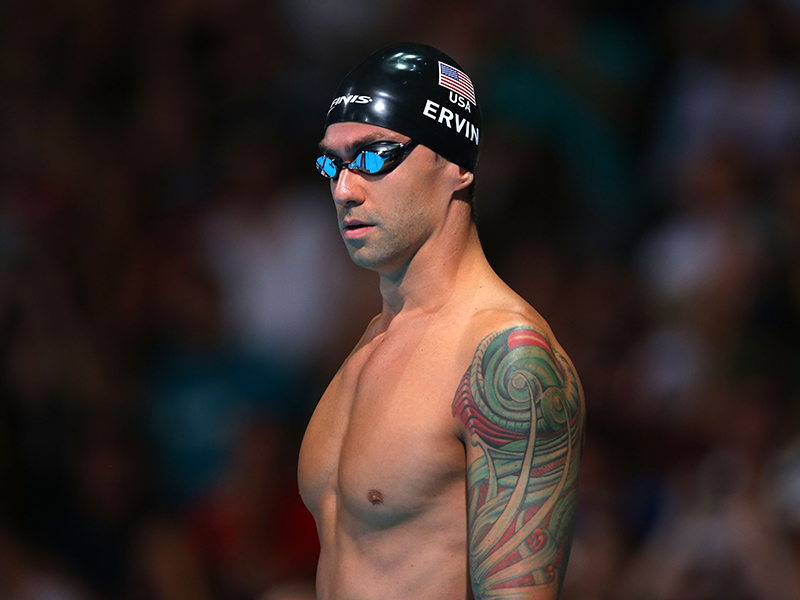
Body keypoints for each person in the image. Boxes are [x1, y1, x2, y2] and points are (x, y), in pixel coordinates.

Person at [298, 42, 586, 600]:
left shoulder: (507, 357)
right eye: (332, 163)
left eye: (374, 156)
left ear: (457, 166)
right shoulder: (372, 339)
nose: (344, 189)